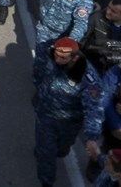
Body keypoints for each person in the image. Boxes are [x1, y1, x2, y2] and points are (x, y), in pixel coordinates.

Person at [32, 38, 103, 187]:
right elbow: (41, 67)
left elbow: (94, 108)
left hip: (69, 123)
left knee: (62, 149)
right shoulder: (51, 53)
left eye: (63, 58)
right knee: (46, 154)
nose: (57, 60)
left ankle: (56, 150)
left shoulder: (88, 77)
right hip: (46, 115)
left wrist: (91, 136)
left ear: (75, 57)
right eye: (56, 55)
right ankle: (46, 182)